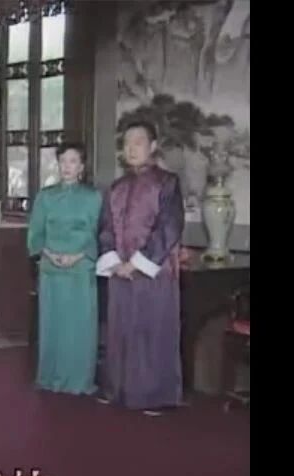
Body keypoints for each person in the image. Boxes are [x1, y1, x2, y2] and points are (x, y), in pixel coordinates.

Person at [96, 121, 185, 415]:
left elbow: (169, 227)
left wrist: (137, 263)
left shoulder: (167, 182)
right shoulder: (116, 187)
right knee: (120, 331)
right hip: (119, 270)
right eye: (127, 143)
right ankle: (118, 389)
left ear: (153, 146)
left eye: (138, 142)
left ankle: (156, 396)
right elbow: (106, 228)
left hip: (154, 271)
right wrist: (114, 261)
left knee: (152, 332)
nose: (131, 148)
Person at [27, 143, 101, 395]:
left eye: (73, 161)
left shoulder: (94, 197)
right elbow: (35, 234)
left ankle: (80, 380)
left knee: (80, 327)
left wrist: (78, 255)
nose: (67, 166)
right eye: (63, 161)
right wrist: (49, 254)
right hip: (51, 270)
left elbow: (99, 234)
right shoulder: (45, 197)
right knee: (53, 326)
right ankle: (50, 377)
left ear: (82, 167)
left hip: (81, 269)